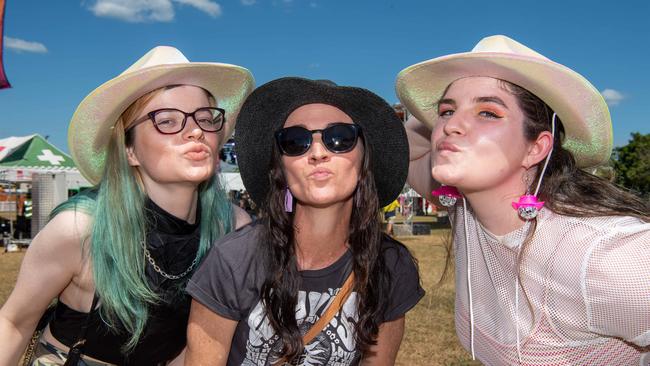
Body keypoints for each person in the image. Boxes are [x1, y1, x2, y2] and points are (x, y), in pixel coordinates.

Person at [396, 35, 650, 365]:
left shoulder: (605, 257)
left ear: (536, 147)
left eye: (488, 113)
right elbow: (406, 149)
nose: (451, 126)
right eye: (446, 111)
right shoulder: (467, 213)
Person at [0, 46, 254, 365]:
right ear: (129, 150)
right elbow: (12, 324)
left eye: (205, 118)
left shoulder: (233, 228)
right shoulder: (81, 229)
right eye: (168, 120)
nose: (196, 131)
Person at [185, 77, 424, 365]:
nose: (318, 152)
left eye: (340, 138)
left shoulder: (389, 265)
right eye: (296, 142)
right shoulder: (233, 260)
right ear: (280, 168)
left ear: (364, 160)